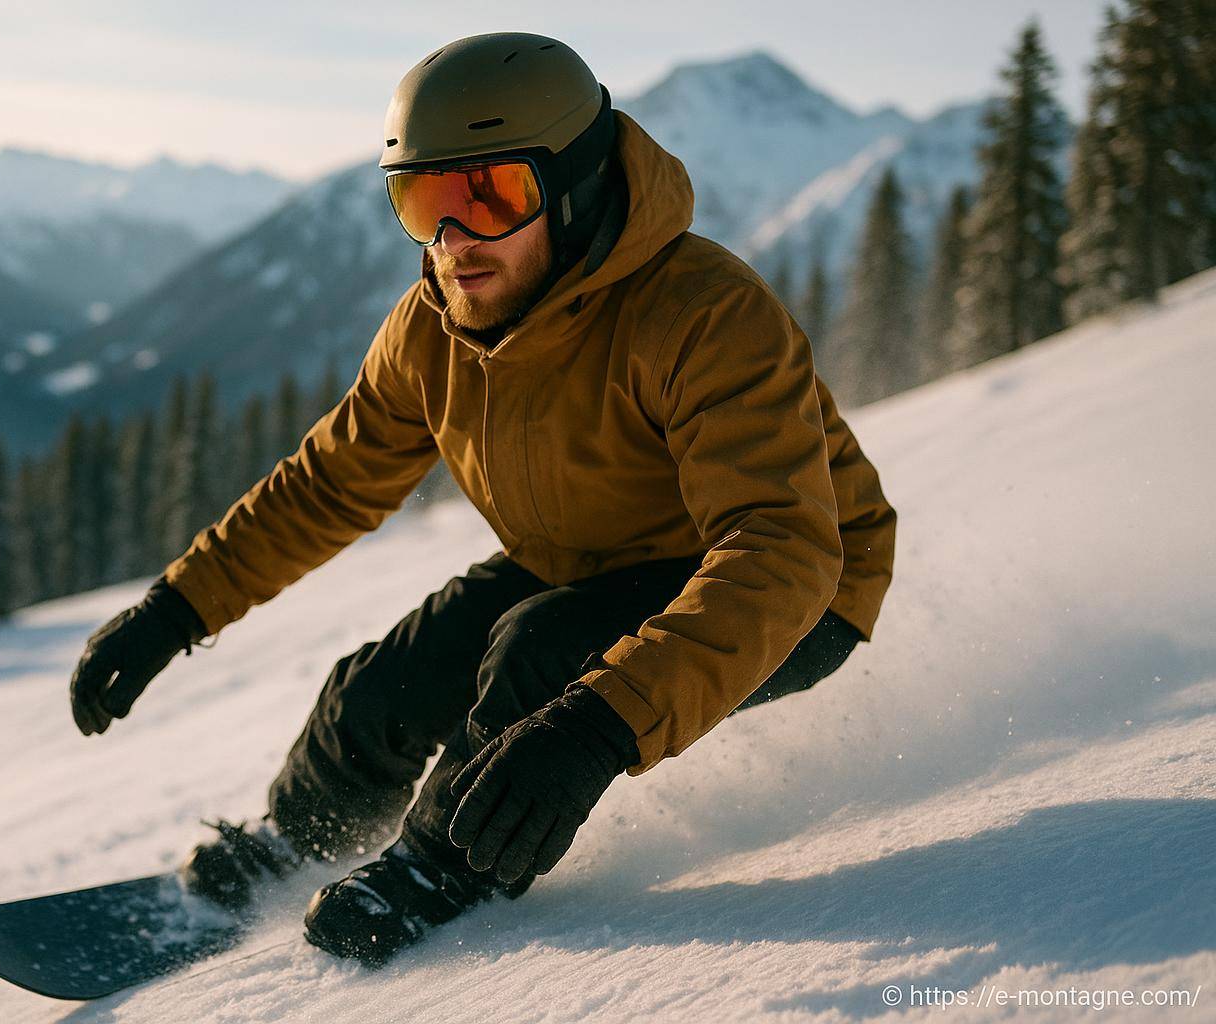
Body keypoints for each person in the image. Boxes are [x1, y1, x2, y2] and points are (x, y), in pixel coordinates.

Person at [68, 30, 897, 966]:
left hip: (800, 588)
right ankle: (296, 843)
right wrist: (175, 607)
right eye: (423, 202)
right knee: (381, 686)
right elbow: (331, 480)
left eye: (490, 196)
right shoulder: (440, 325)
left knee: (539, 654)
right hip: (591, 555)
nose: (454, 241)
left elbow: (781, 547)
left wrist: (599, 727)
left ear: (575, 187)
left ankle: (440, 867)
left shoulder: (702, 313)